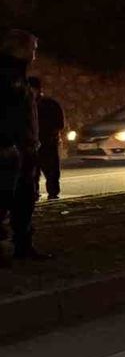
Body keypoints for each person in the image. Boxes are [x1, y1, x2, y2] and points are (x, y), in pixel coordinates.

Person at [0, 29, 47, 261]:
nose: (35, 54)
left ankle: (23, 245)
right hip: (9, 150)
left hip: (24, 148)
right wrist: (6, 143)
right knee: (4, 199)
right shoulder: (7, 76)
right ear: (19, 48)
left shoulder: (18, 74)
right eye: (33, 49)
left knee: (24, 200)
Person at [28, 77, 64, 200]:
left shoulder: (49, 104)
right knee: (32, 173)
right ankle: (34, 194)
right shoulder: (26, 105)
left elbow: (59, 123)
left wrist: (52, 135)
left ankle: (53, 194)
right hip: (32, 144)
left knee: (51, 172)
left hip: (47, 143)